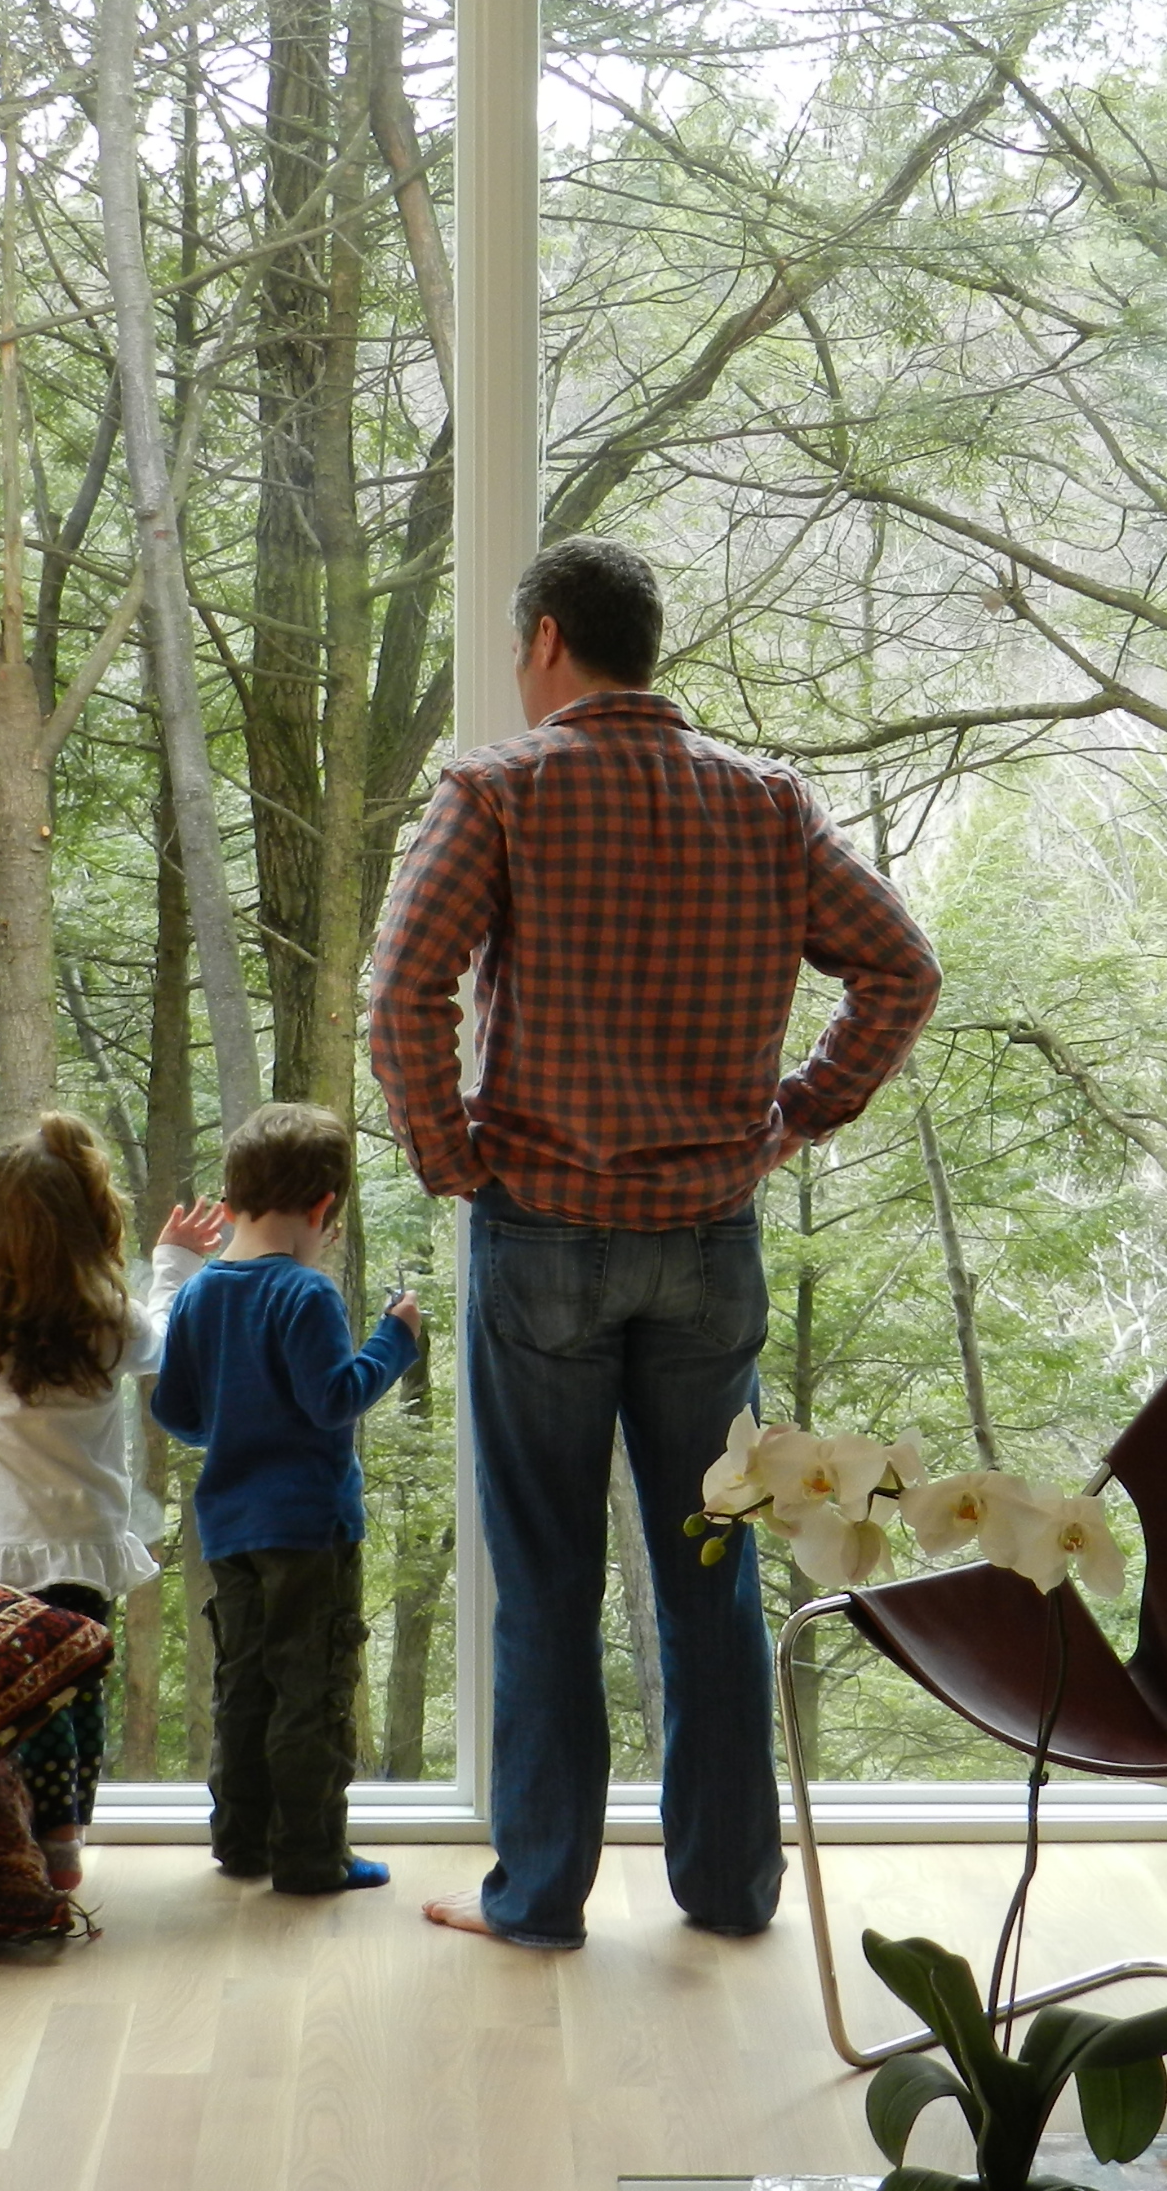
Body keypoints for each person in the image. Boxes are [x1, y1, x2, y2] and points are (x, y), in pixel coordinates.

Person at [369, 533, 941, 1951]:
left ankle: (541, 1896)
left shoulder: (497, 790)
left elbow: (403, 997)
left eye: (518, 650)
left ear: (548, 636)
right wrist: (798, 1114)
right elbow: (902, 970)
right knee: (711, 1569)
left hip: (545, 1236)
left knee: (549, 1576)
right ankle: (731, 1891)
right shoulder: (765, 803)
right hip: (707, 1245)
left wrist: (456, 1160)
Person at [0, 1112, 227, 1896]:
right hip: (83, 1544)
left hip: (3, 1549)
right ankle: (67, 1834)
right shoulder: (109, 1324)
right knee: (76, 1687)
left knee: (22, 1697)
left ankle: (28, 1839)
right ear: (89, 1221)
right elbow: (166, 1339)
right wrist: (172, 1262)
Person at [150, 1100, 426, 1897]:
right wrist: (395, 1340)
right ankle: (310, 1855)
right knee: (312, 1687)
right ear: (323, 1210)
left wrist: (231, 1417)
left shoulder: (203, 1294)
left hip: (229, 1528)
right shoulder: (304, 1296)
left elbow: (175, 1411)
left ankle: (240, 1840)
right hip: (307, 1526)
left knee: (244, 1683)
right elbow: (332, 1399)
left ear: (232, 1202)